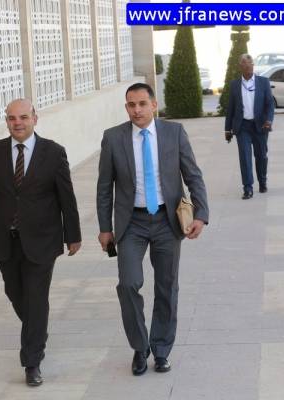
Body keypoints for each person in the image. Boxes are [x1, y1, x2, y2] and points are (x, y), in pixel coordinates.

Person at [96, 83, 209, 376]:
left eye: (142, 104)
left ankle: (161, 350)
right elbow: (104, 187)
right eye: (131, 105)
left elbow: (193, 175)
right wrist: (105, 228)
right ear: (126, 107)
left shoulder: (174, 133)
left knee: (166, 287)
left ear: (154, 105)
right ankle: (139, 347)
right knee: (128, 283)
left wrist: (201, 214)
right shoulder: (113, 138)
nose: (137, 110)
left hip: (167, 221)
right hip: (131, 223)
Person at [0, 98, 82, 386]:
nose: (17, 123)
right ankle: (37, 329)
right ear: (6, 121)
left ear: (35, 118)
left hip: (42, 239)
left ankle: (32, 361)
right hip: (5, 239)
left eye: (22, 117)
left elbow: (66, 197)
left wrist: (73, 235)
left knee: (35, 297)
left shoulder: (53, 152)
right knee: (15, 292)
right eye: (11, 118)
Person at [225, 53, 275, 199]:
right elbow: (231, 108)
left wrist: (269, 120)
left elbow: (270, 104)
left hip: (260, 126)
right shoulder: (235, 85)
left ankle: (262, 181)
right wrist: (227, 129)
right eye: (245, 65)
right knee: (245, 157)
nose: (248, 67)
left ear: (253, 65)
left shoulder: (263, 82)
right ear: (240, 67)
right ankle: (248, 188)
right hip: (242, 127)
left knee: (261, 156)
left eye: (250, 64)